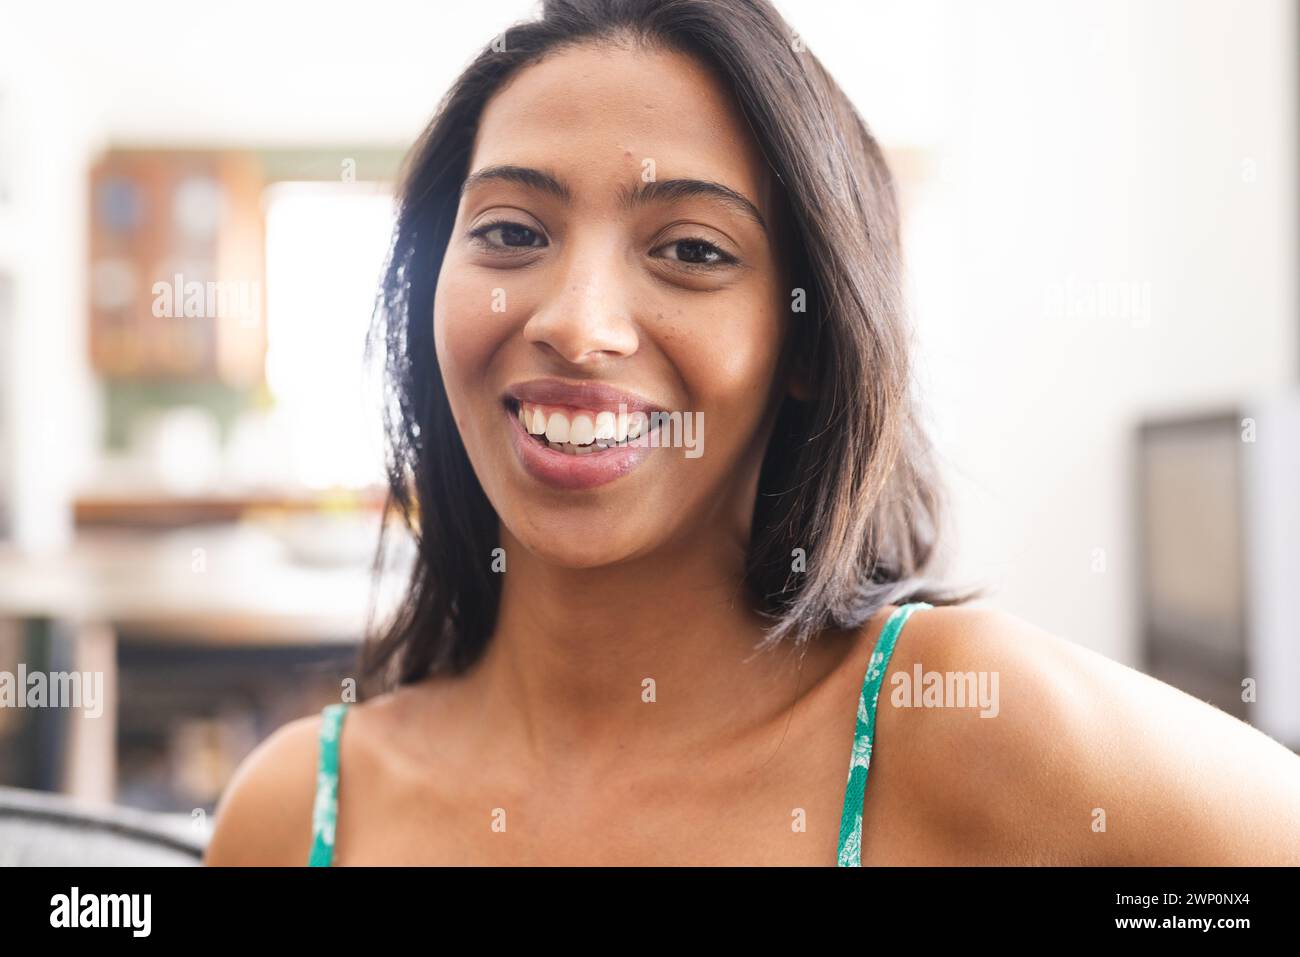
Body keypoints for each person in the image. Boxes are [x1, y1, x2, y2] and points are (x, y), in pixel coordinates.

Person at [205, 0, 1300, 866]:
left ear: (813, 346)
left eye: (690, 250)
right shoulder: (297, 812)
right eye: (509, 231)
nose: (575, 326)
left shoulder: (958, 721)